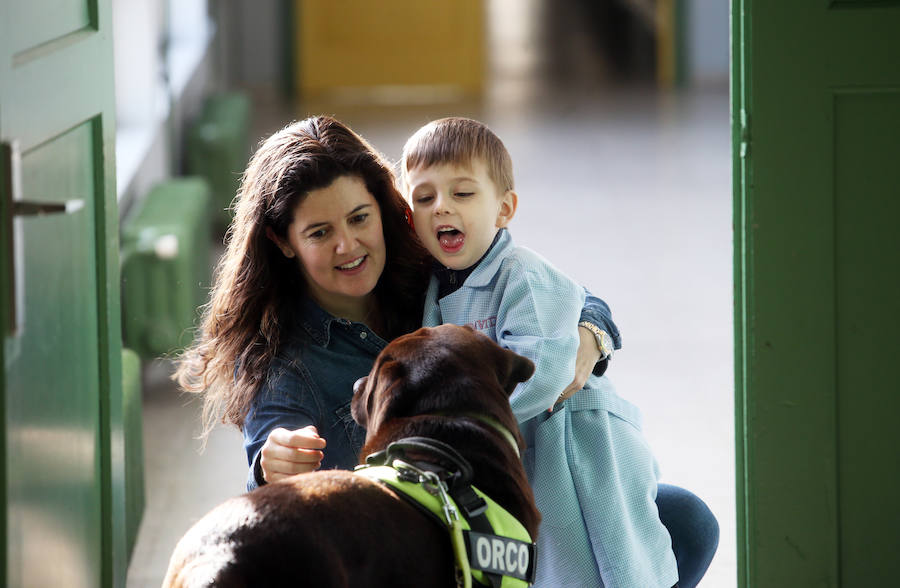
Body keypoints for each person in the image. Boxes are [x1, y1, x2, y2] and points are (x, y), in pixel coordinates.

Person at [174, 115, 616, 490]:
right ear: (282, 241)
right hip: (400, 541)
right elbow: (272, 456)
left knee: (681, 519)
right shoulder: (283, 365)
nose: (348, 245)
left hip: (503, 495)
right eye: (319, 232)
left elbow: (552, 290)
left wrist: (591, 333)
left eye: (359, 218)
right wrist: (271, 464)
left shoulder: (431, 264)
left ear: (384, 208)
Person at [400, 117, 718, 587]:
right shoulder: (429, 292)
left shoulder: (523, 274)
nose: (441, 207)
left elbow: (544, 371)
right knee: (542, 560)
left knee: (604, 561)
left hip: (575, 438)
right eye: (425, 198)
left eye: (462, 193)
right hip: (518, 446)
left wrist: (463, 427)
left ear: (504, 209)